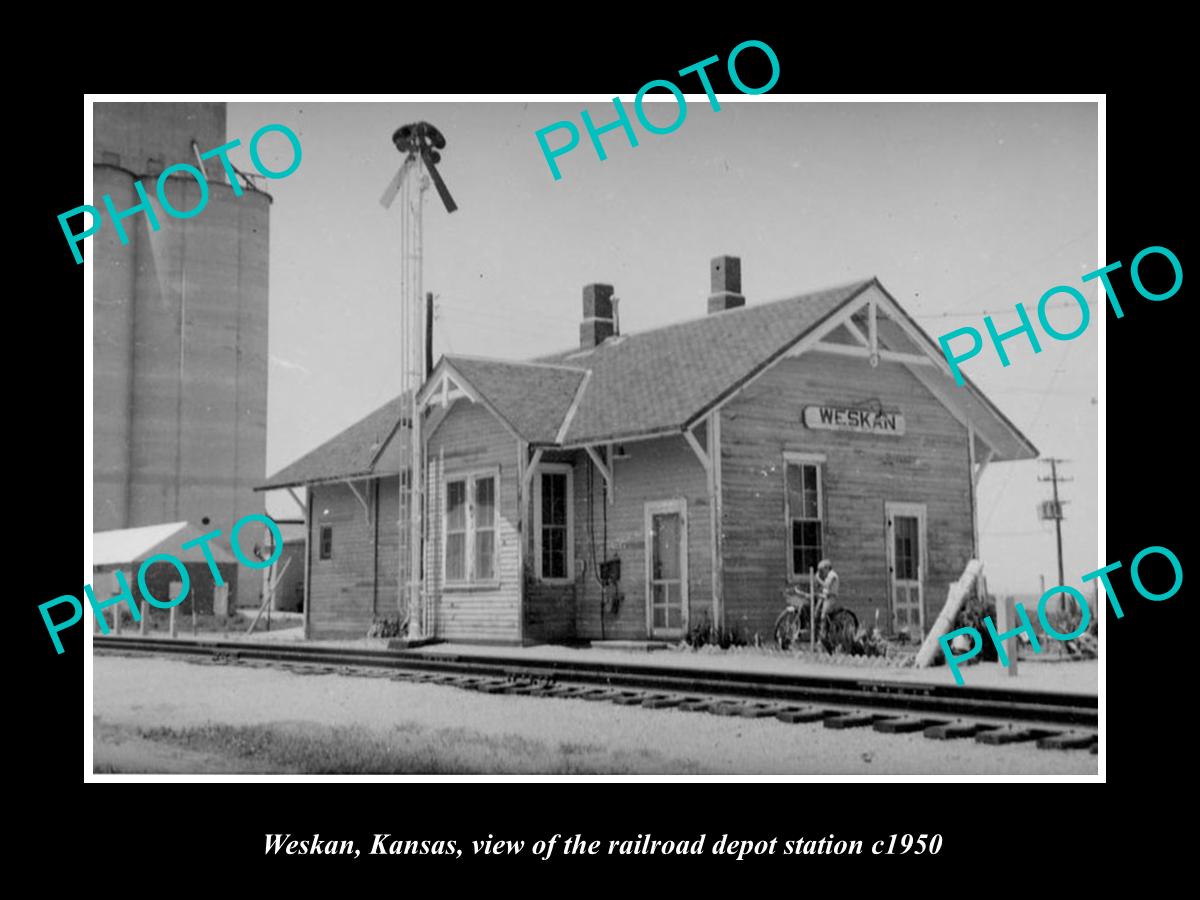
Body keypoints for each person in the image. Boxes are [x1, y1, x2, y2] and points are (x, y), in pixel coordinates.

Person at [814, 559, 840, 637]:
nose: (822, 573)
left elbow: (827, 585)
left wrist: (818, 578)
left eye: (822, 570)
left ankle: (823, 635)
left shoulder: (832, 575)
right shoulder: (828, 575)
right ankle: (817, 633)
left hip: (831, 597)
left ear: (827, 568)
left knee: (823, 616)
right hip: (825, 596)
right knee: (816, 612)